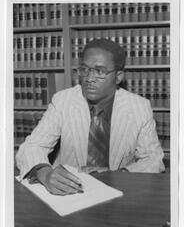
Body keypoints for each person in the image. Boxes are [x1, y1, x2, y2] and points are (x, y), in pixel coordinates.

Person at [16, 38, 165, 196]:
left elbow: (153, 160)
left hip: (118, 192)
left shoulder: (139, 107)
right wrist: (45, 174)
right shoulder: (63, 101)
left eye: (100, 71)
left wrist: (118, 174)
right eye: (85, 69)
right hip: (69, 194)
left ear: (119, 76)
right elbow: (31, 147)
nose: (89, 79)